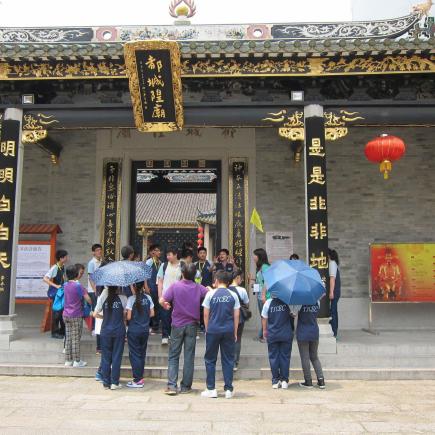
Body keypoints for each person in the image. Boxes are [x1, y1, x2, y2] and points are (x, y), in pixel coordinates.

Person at [161, 263, 208, 395]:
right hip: (192, 325)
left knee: (174, 355)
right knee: (189, 356)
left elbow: (162, 299)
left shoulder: (175, 286)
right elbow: (209, 294)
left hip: (177, 324)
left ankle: (171, 386)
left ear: (182, 273)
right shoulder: (198, 287)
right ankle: (186, 386)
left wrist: (165, 305)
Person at [201, 270, 240, 399]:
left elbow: (206, 314)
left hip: (213, 330)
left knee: (210, 359)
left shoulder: (210, 294)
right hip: (228, 330)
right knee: (228, 359)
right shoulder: (233, 295)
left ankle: (211, 388)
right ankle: (228, 389)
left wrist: (207, 329)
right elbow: (236, 315)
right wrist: (235, 332)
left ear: (216, 280)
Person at [93, 286, 128, 390]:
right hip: (119, 331)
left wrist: (105, 317)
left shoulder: (103, 297)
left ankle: (106, 382)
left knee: (105, 357)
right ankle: (114, 382)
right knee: (117, 357)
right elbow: (125, 315)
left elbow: (95, 314)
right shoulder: (123, 298)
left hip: (105, 331)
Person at [63, 264, 92, 368]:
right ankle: (77, 361)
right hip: (76, 314)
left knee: (68, 337)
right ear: (76, 274)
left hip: (66, 314)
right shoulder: (78, 286)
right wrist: (90, 303)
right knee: (75, 338)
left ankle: (68, 360)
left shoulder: (65, 285)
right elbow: (88, 298)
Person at [126, 281, 154, 388]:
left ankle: (137, 380)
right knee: (141, 353)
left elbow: (128, 317)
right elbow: (152, 313)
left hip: (133, 330)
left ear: (133, 286)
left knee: (135, 354)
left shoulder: (131, 299)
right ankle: (140, 377)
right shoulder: (148, 298)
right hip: (144, 330)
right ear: (143, 286)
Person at [261, 296, 294, 389]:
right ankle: (284, 380)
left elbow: (264, 317)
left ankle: (275, 380)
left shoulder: (268, 303)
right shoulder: (287, 301)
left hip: (273, 334)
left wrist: (264, 330)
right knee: (285, 357)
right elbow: (293, 314)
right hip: (286, 333)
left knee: (273, 357)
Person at [297, 303, 325, 389]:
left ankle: (308, 381)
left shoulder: (299, 303)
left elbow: (293, 313)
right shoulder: (317, 303)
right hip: (314, 331)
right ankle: (321, 381)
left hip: (303, 332)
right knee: (314, 357)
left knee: (305, 357)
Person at [157, 248, 182, 345]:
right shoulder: (164, 265)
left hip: (178, 295)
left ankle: (173, 334)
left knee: (175, 315)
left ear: (175, 255)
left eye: (169, 255)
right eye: (167, 255)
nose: (167, 257)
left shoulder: (182, 265)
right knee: (165, 315)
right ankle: (164, 336)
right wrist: (160, 296)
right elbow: (160, 281)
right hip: (166, 295)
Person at [43, 249, 68, 339]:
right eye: (65, 257)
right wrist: (55, 285)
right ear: (61, 258)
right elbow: (45, 278)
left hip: (61, 292)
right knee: (56, 312)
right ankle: (54, 332)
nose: (67, 258)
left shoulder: (63, 266)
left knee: (62, 312)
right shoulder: (55, 267)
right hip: (56, 293)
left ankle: (62, 331)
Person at [229, 270, 249, 371]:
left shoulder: (226, 289)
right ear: (237, 278)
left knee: (228, 338)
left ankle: (228, 360)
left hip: (228, 316)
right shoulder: (242, 290)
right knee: (238, 338)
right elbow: (246, 303)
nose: (241, 280)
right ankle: (235, 362)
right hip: (239, 317)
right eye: (241, 278)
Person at [252, 248, 270, 343]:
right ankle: (262, 335)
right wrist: (254, 286)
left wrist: (264, 296)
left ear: (259, 256)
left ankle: (265, 336)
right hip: (260, 296)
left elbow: (267, 282)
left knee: (265, 317)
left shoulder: (265, 267)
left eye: (255, 255)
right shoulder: (260, 267)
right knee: (263, 316)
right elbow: (260, 282)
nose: (253, 257)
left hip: (265, 297)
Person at [195, 247, 213, 332]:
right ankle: (197, 323)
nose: (202, 254)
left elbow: (214, 275)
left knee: (205, 306)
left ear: (206, 254)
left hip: (207, 289)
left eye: (204, 253)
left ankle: (203, 324)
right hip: (196, 289)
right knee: (197, 306)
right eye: (201, 253)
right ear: (198, 254)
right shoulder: (194, 264)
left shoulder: (210, 264)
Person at [145, 244, 162, 334]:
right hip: (151, 286)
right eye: (157, 251)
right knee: (152, 306)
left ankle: (156, 326)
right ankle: (151, 325)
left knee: (158, 306)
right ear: (153, 252)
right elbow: (145, 275)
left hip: (158, 287)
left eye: (159, 251)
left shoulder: (160, 262)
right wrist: (146, 286)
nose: (159, 252)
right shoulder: (149, 262)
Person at [87, 244, 103, 331]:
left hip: (100, 289)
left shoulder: (101, 261)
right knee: (94, 308)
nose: (99, 251)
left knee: (99, 308)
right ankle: (93, 328)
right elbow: (90, 278)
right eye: (97, 250)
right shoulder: (91, 263)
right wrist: (94, 290)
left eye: (100, 250)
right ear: (93, 252)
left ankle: (98, 327)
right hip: (93, 290)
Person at [328, 249, 341, 338]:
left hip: (334, 291)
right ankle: (334, 331)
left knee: (333, 312)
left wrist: (331, 292)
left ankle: (334, 332)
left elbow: (332, 279)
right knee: (333, 311)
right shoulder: (334, 263)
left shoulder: (332, 263)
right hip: (336, 291)